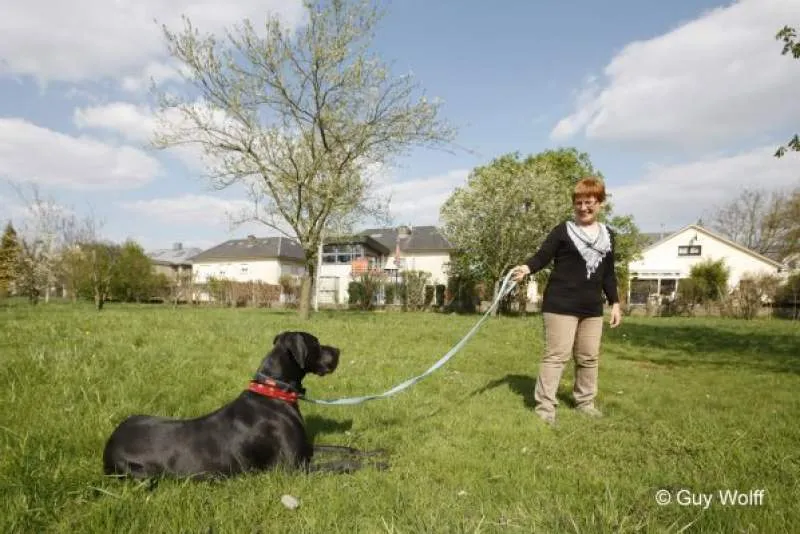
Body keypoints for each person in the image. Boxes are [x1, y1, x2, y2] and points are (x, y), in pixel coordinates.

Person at [510, 176, 621, 425]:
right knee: (556, 356)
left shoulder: (609, 236)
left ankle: (585, 403)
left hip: (591, 308)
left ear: (600, 203)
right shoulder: (563, 231)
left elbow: (608, 273)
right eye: (579, 203)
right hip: (560, 305)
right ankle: (545, 409)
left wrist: (615, 303)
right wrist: (527, 268)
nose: (583, 208)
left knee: (589, 357)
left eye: (589, 202)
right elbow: (543, 256)